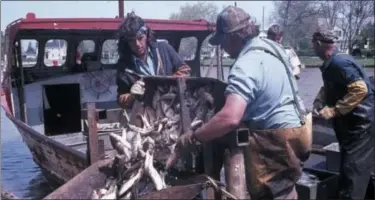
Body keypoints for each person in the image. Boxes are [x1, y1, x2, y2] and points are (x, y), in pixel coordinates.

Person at [166, 6, 312, 200]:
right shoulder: (272, 47)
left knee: (271, 195)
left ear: (232, 36)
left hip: (276, 141)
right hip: (300, 132)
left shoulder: (245, 64)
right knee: (286, 189)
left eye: (222, 42)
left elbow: (230, 118)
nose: (222, 48)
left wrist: (194, 137)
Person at [311, 28, 374, 199]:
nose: (313, 49)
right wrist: (319, 100)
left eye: (313, 45)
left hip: (360, 128)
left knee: (352, 175)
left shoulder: (339, 63)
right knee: (358, 172)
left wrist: (334, 110)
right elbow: (332, 85)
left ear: (318, 43)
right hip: (353, 128)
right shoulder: (334, 62)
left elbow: (360, 89)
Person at [116, 12, 191, 108]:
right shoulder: (124, 66)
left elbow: (185, 70)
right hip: (145, 113)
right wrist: (131, 97)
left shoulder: (164, 49)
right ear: (126, 42)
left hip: (171, 106)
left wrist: (168, 84)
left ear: (146, 34)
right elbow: (120, 99)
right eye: (132, 41)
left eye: (140, 38)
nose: (137, 44)